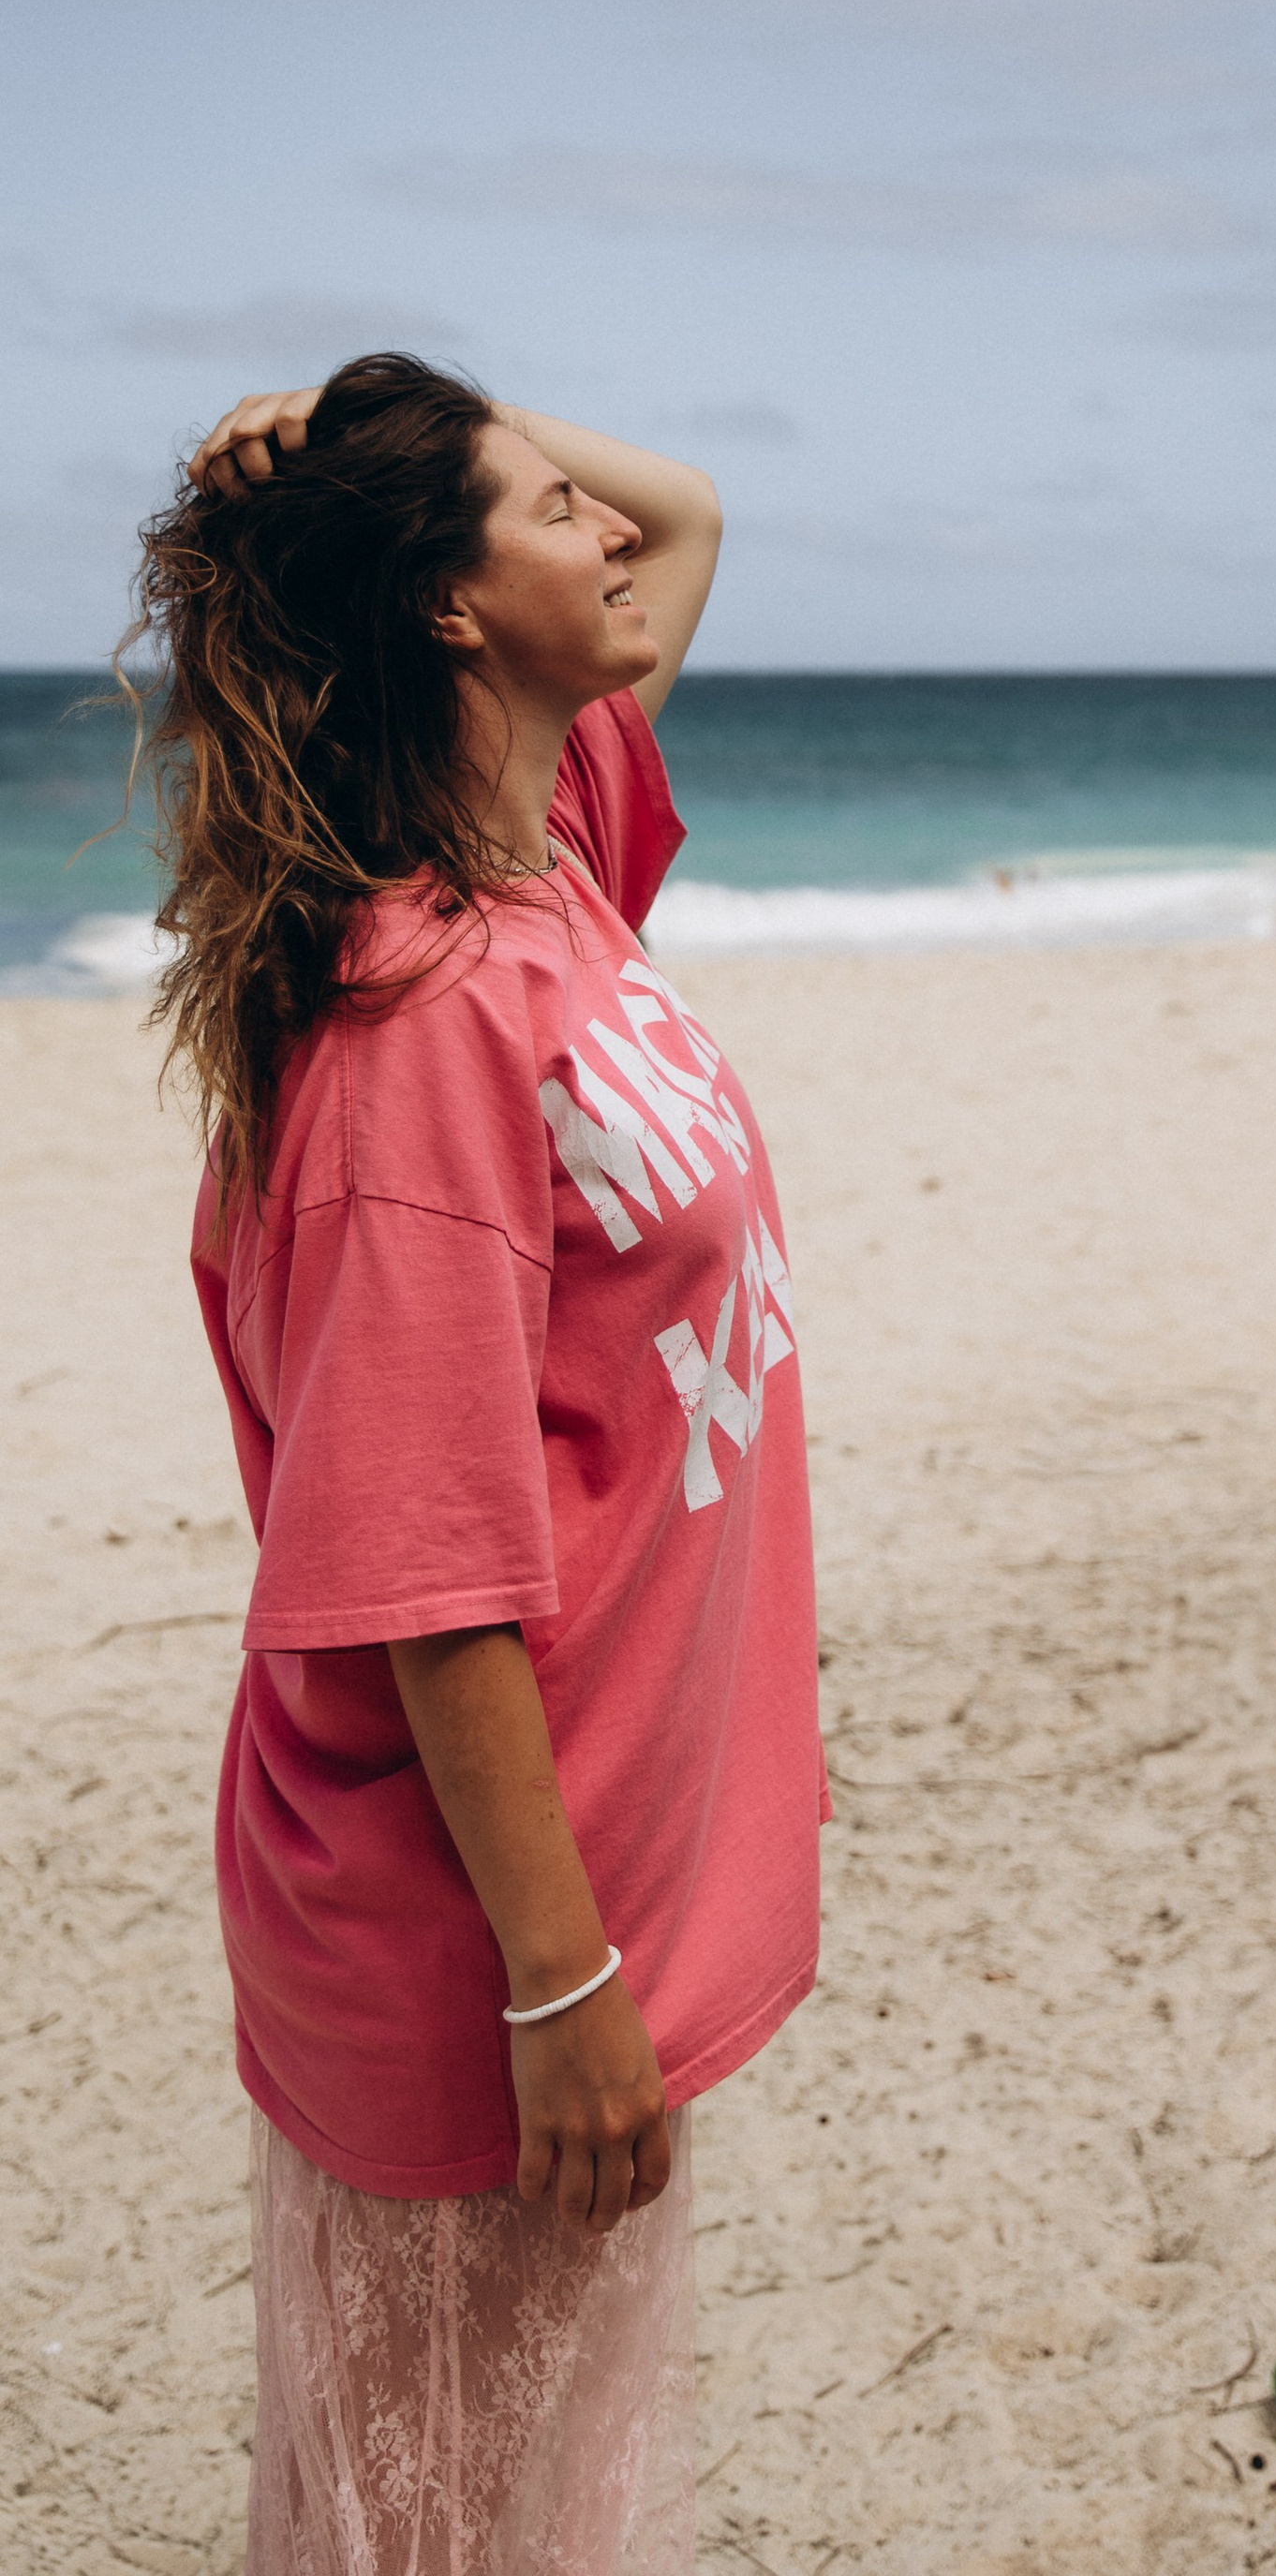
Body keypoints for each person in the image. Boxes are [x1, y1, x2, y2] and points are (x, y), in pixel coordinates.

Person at [129, 354, 825, 2576]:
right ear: (446, 607)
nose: (607, 533)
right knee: (422, 2531)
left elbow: (693, 509)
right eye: (548, 512)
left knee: (516, 2505)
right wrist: (562, 1991)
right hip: (487, 1949)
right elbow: (418, 1575)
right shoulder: (417, 1030)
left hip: (590, 1879)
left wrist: (402, 395)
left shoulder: (558, 865)